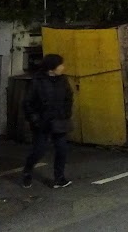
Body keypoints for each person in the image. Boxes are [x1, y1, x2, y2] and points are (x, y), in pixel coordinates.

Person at [22, 54, 73, 189]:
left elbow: (69, 97)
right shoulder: (37, 81)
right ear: (52, 68)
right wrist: (35, 119)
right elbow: (28, 102)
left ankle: (59, 178)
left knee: (62, 149)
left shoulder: (63, 80)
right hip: (42, 122)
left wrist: (66, 113)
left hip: (59, 119)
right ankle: (27, 170)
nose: (63, 67)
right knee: (39, 150)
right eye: (60, 65)